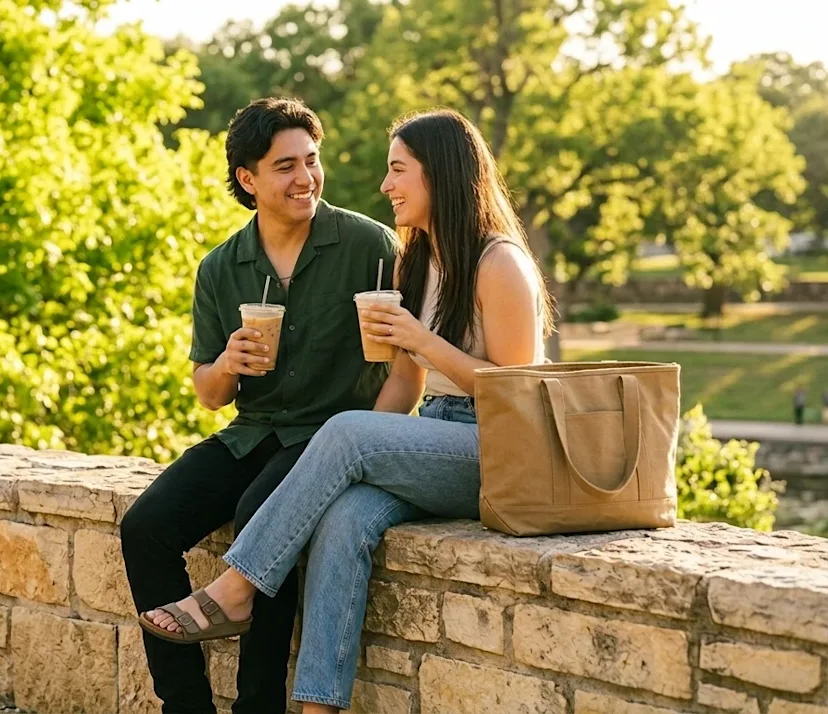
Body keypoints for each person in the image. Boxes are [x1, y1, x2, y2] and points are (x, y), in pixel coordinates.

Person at [138, 108, 554, 713]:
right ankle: (317, 707)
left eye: (397, 171)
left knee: (347, 433)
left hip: (501, 449)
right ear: (247, 179)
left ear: (439, 175)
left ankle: (235, 589)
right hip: (434, 435)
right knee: (341, 522)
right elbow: (409, 380)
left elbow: (519, 398)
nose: (385, 185)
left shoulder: (500, 263)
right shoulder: (420, 260)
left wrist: (419, 339)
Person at [120, 96, 399, 714]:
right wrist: (226, 364)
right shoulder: (220, 268)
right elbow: (210, 394)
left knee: (257, 516)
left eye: (311, 160)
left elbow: (405, 363)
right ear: (247, 179)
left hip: (327, 438)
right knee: (145, 527)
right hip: (253, 432)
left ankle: (259, 705)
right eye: (285, 166)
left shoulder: (371, 246)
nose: (306, 178)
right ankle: (186, 705)